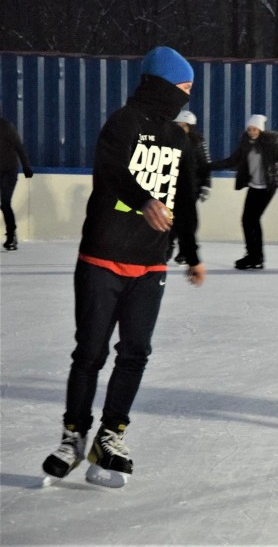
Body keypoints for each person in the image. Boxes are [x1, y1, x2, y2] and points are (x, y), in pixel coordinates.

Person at [41, 46, 206, 488]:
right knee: (90, 353)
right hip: (102, 257)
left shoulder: (179, 138)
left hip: (150, 264)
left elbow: (184, 198)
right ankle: (73, 437)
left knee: (135, 353)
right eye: (184, 87)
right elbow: (110, 172)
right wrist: (144, 200)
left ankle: (111, 436)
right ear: (161, 83)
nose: (187, 96)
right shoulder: (123, 122)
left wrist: (191, 252)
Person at [210, 114, 278, 270]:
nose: (252, 132)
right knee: (247, 220)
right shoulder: (245, 145)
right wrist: (208, 166)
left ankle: (256, 257)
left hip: (267, 187)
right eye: (249, 129)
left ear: (260, 130)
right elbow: (231, 161)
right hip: (254, 186)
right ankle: (252, 255)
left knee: (253, 219)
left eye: (255, 129)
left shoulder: (270, 145)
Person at [170, 109, 212, 265]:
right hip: (172, 187)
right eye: (178, 125)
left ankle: (184, 251)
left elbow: (205, 165)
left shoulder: (198, 143)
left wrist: (206, 186)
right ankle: (167, 248)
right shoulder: (170, 141)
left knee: (187, 222)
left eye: (184, 126)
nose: (181, 129)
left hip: (190, 188)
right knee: (170, 220)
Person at [0, 116, 33, 250]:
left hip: (9, 171)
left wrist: (26, 167)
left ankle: (11, 235)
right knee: (5, 204)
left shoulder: (6, 127)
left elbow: (19, 147)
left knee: (6, 203)